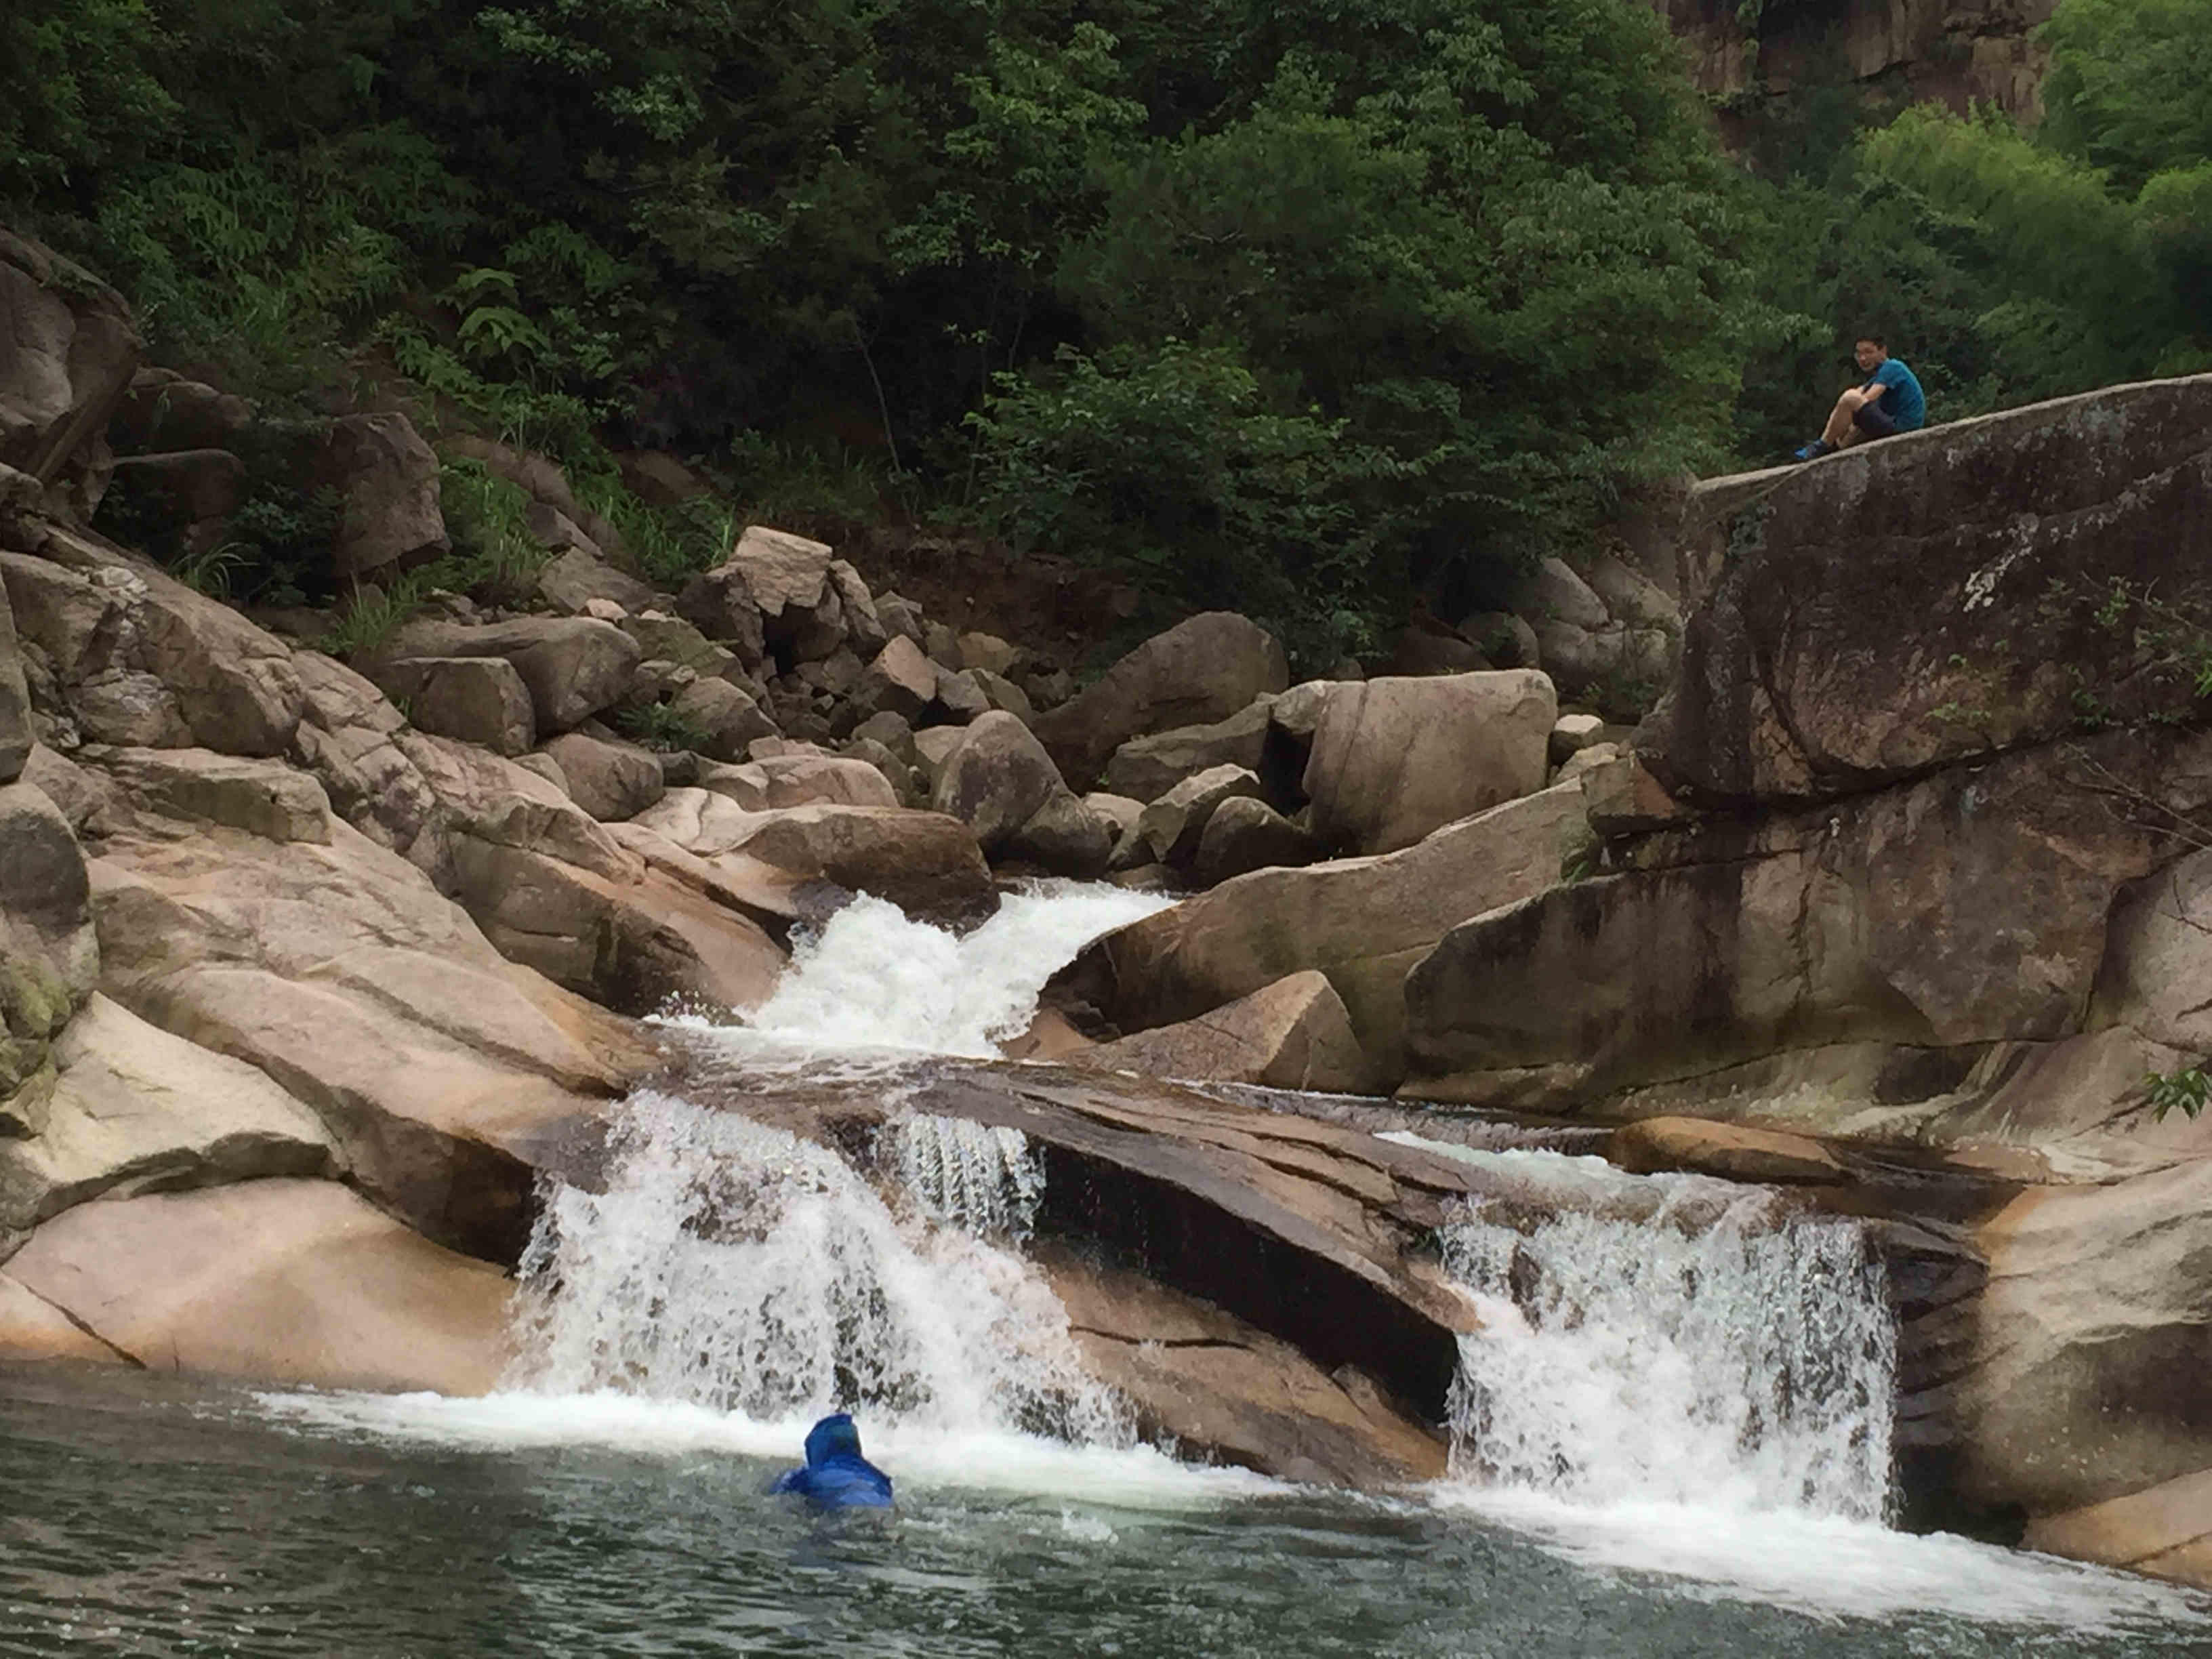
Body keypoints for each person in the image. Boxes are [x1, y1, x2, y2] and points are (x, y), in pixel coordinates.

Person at [1795, 336, 1926, 461]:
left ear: (1883, 351)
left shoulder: (1892, 367)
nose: (1863, 358)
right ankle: (1831, 448)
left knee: (1851, 398)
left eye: (1868, 352)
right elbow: (1858, 395)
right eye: (1859, 353)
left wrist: (1851, 417)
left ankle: (1822, 446)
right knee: (1850, 407)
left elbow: (1868, 398)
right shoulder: (1880, 375)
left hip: (1901, 429)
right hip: (1893, 425)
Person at [770, 1412, 894, 1509]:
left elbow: (777, 1492)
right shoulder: (877, 1475)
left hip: (842, 1508)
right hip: (880, 1506)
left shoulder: (807, 1474)